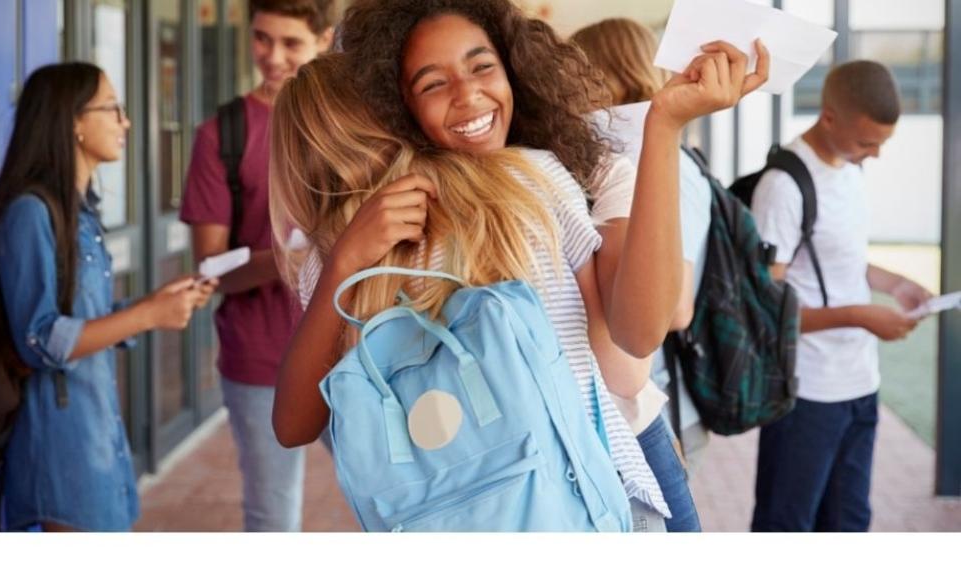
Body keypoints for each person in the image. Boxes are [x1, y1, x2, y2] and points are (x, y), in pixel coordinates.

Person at [279, 0, 766, 531]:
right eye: (431, 83)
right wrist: (662, 128)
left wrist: (344, 261)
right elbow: (631, 355)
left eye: (482, 65)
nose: (467, 94)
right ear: (397, 107)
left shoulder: (349, 262)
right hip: (586, 501)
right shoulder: (528, 180)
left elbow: (292, 426)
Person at [0, 62, 215, 531]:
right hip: (59, 444)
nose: (125, 121)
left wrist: (154, 304)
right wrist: (147, 315)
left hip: (98, 430)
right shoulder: (30, 213)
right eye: (113, 108)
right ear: (72, 122)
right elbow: (42, 340)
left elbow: (85, 320)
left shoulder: (81, 214)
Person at [750, 60, 931, 532]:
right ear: (828, 117)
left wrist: (893, 283)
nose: (874, 155)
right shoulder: (783, 187)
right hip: (806, 392)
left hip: (859, 384)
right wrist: (859, 316)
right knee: (787, 527)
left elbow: (839, 259)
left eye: (882, 144)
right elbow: (769, 308)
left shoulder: (850, 170)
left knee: (849, 523)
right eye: (866, 142)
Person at [180, 0, 334, 532]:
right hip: (261, 356)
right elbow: (211, 269)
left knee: (394, 507)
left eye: (290, 43)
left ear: (323, 39)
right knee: (274, 517)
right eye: (262, 39)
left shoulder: (345, 126)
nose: (272, 56)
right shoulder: (221, 134)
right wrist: (285, 262)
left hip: (354, 348)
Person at [572, 17, 712, 532]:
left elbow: (676, 310)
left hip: (649, 402)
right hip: (624, 404)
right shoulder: (593, 162)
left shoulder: (662, 164)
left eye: (579, 77)